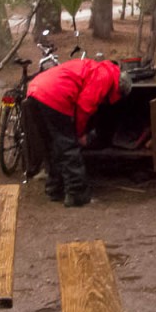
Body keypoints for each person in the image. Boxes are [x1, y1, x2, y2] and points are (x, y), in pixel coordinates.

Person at [22, 58, 132, 207]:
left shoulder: (96, 67)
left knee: (53, 144)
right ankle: (76, 193)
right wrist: (79, 134)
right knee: (68, 147)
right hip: (54, 95)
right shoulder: (104, 77)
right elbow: (84, 107)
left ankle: (55, 188)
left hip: (35, 90)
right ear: (119, 89)